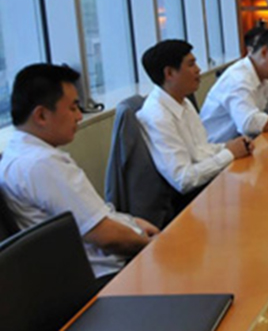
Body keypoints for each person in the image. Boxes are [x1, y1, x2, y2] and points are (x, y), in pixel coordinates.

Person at [0, 64, 158, 279]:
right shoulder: (42, 164)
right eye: (73, 108)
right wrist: (150, 243)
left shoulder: (18, 154)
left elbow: (96, 219)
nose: (79, 117)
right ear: (41, 115)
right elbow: (107, 236)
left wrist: (134, 224)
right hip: (107, 276)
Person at [137, 40, 251, 195]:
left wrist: (230, 147)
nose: (198, 69)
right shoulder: (157, 116)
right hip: (189, 198)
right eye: (191, 65)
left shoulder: (183, 102)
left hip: (207, 185)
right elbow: (183, 179)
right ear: (169, 73)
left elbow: (201, 150)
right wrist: (229, 154)